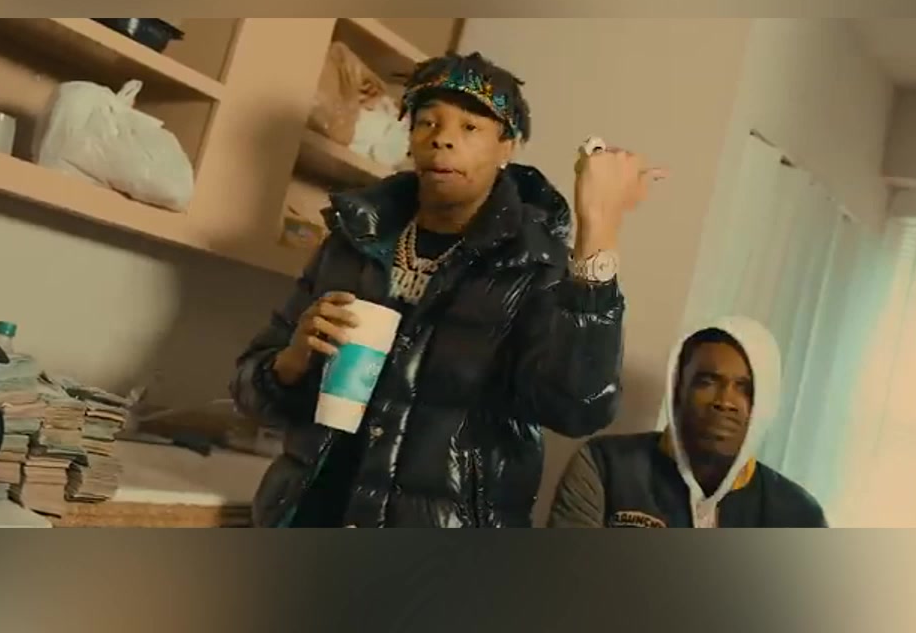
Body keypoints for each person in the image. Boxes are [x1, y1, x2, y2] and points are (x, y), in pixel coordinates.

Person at [232, 51, 661, 528]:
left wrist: (599, 228)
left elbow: (579, 408)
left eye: (470, 127)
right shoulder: (353, 242)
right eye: (427, 123)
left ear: (507, 146)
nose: (443, 139)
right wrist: (290, 363)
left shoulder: (535, 265)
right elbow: (251, 393)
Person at [547, 316, 828, 528]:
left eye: (744, 388)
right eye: (707, 381)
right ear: (678, 388)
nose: (725, 401)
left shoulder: (798, 515)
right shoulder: (605, 466)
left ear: (765, 404)